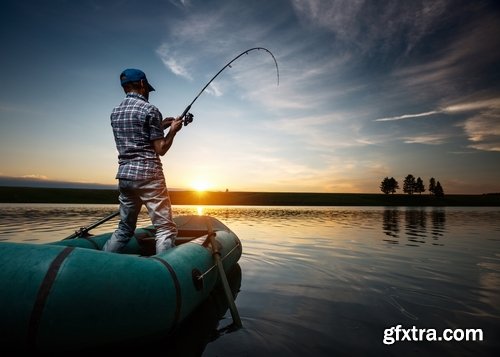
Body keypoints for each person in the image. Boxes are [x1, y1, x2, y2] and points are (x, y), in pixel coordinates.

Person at [103, 68, 183, 254]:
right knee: (165, 228)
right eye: (147, 87)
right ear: (141, 84)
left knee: (124, 229)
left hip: (125, 176)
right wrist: (173, 131)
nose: (148, 91)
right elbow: (160, 149)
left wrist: (159, 125)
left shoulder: (115, 113)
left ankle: (101, 261)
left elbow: (135, 135)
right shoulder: (150, 110)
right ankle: (164, 272)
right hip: (149, 176)